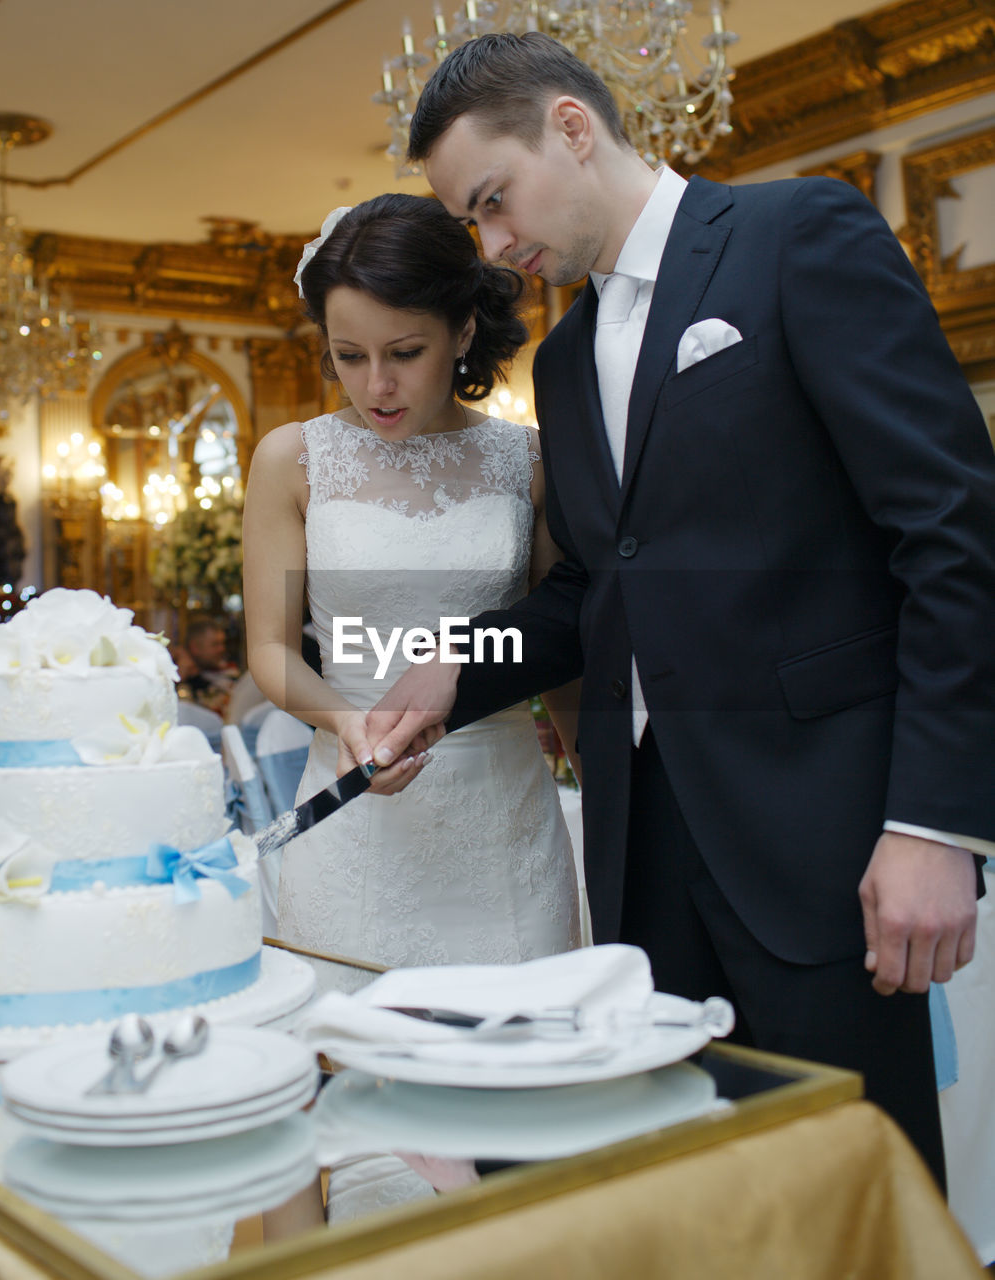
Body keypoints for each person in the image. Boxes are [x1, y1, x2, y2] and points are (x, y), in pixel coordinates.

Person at [366, 31, 995, 1190]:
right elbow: (601, 585)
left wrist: (934, 822)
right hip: (646, 847)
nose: (496, 249)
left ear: (570, 124)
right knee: (691, 1200)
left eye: (495, 203)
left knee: (856, 1191)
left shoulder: (797, 235)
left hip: (822, 835)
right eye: (473, 223)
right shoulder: (558, 364)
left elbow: (953, 531)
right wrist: (455, 667)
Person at [242, 192, 582, 977]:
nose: (376, 385)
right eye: (349, 355)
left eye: (404, 352)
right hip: (354, 816)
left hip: (504, 823)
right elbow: (268, 648)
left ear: (462, 331)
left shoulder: (525, 461)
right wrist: (346, 725)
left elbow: (558, 637)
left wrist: (604, 788)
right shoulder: (291, 460)